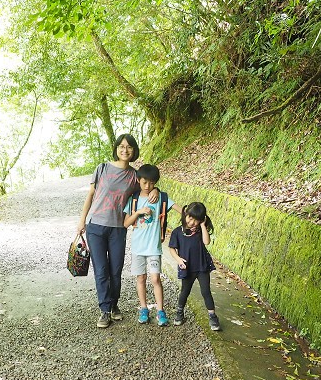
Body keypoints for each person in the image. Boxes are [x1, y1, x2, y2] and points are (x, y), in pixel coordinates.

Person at [77, 134, 158, 329]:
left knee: (115, 269)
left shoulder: (134, 176)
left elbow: (147, 188)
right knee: (101, 269)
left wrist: (156, 191)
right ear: (116, 148)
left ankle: (114, 305)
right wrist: (81, 221)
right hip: (95, 226)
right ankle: (104, 310)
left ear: (134, 151)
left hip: (118, 228)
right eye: (121, 146)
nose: (125, 150)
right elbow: (90, 195)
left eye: (129, 147)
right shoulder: (102, 168)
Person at [123, 164, 181, 327]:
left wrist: (195, 215)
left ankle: (160, 311)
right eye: (144, 182)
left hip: (154, 247)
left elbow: (179, 209)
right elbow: (125, 223)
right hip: (137, 248)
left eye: (151, 183)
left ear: (155, 182)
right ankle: (143, 309)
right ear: (138, 181)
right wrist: (138, 212)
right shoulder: (133, 200)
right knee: (141, 278)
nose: (148, 186)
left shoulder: (161, 197)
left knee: (155, 278)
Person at [168, 202, 221, 331]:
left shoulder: (200, 231)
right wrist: (178, 260)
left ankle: (212, 316)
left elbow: (206, 242)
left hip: (202, 267)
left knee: (206, 292)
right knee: (185, 291)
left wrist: (202, 225)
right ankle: (179, 312)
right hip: (187, 267)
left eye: (196, 220)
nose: (192, 222)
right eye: (190, 218)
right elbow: (172, 249)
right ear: (186, 215)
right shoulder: (177, 232)